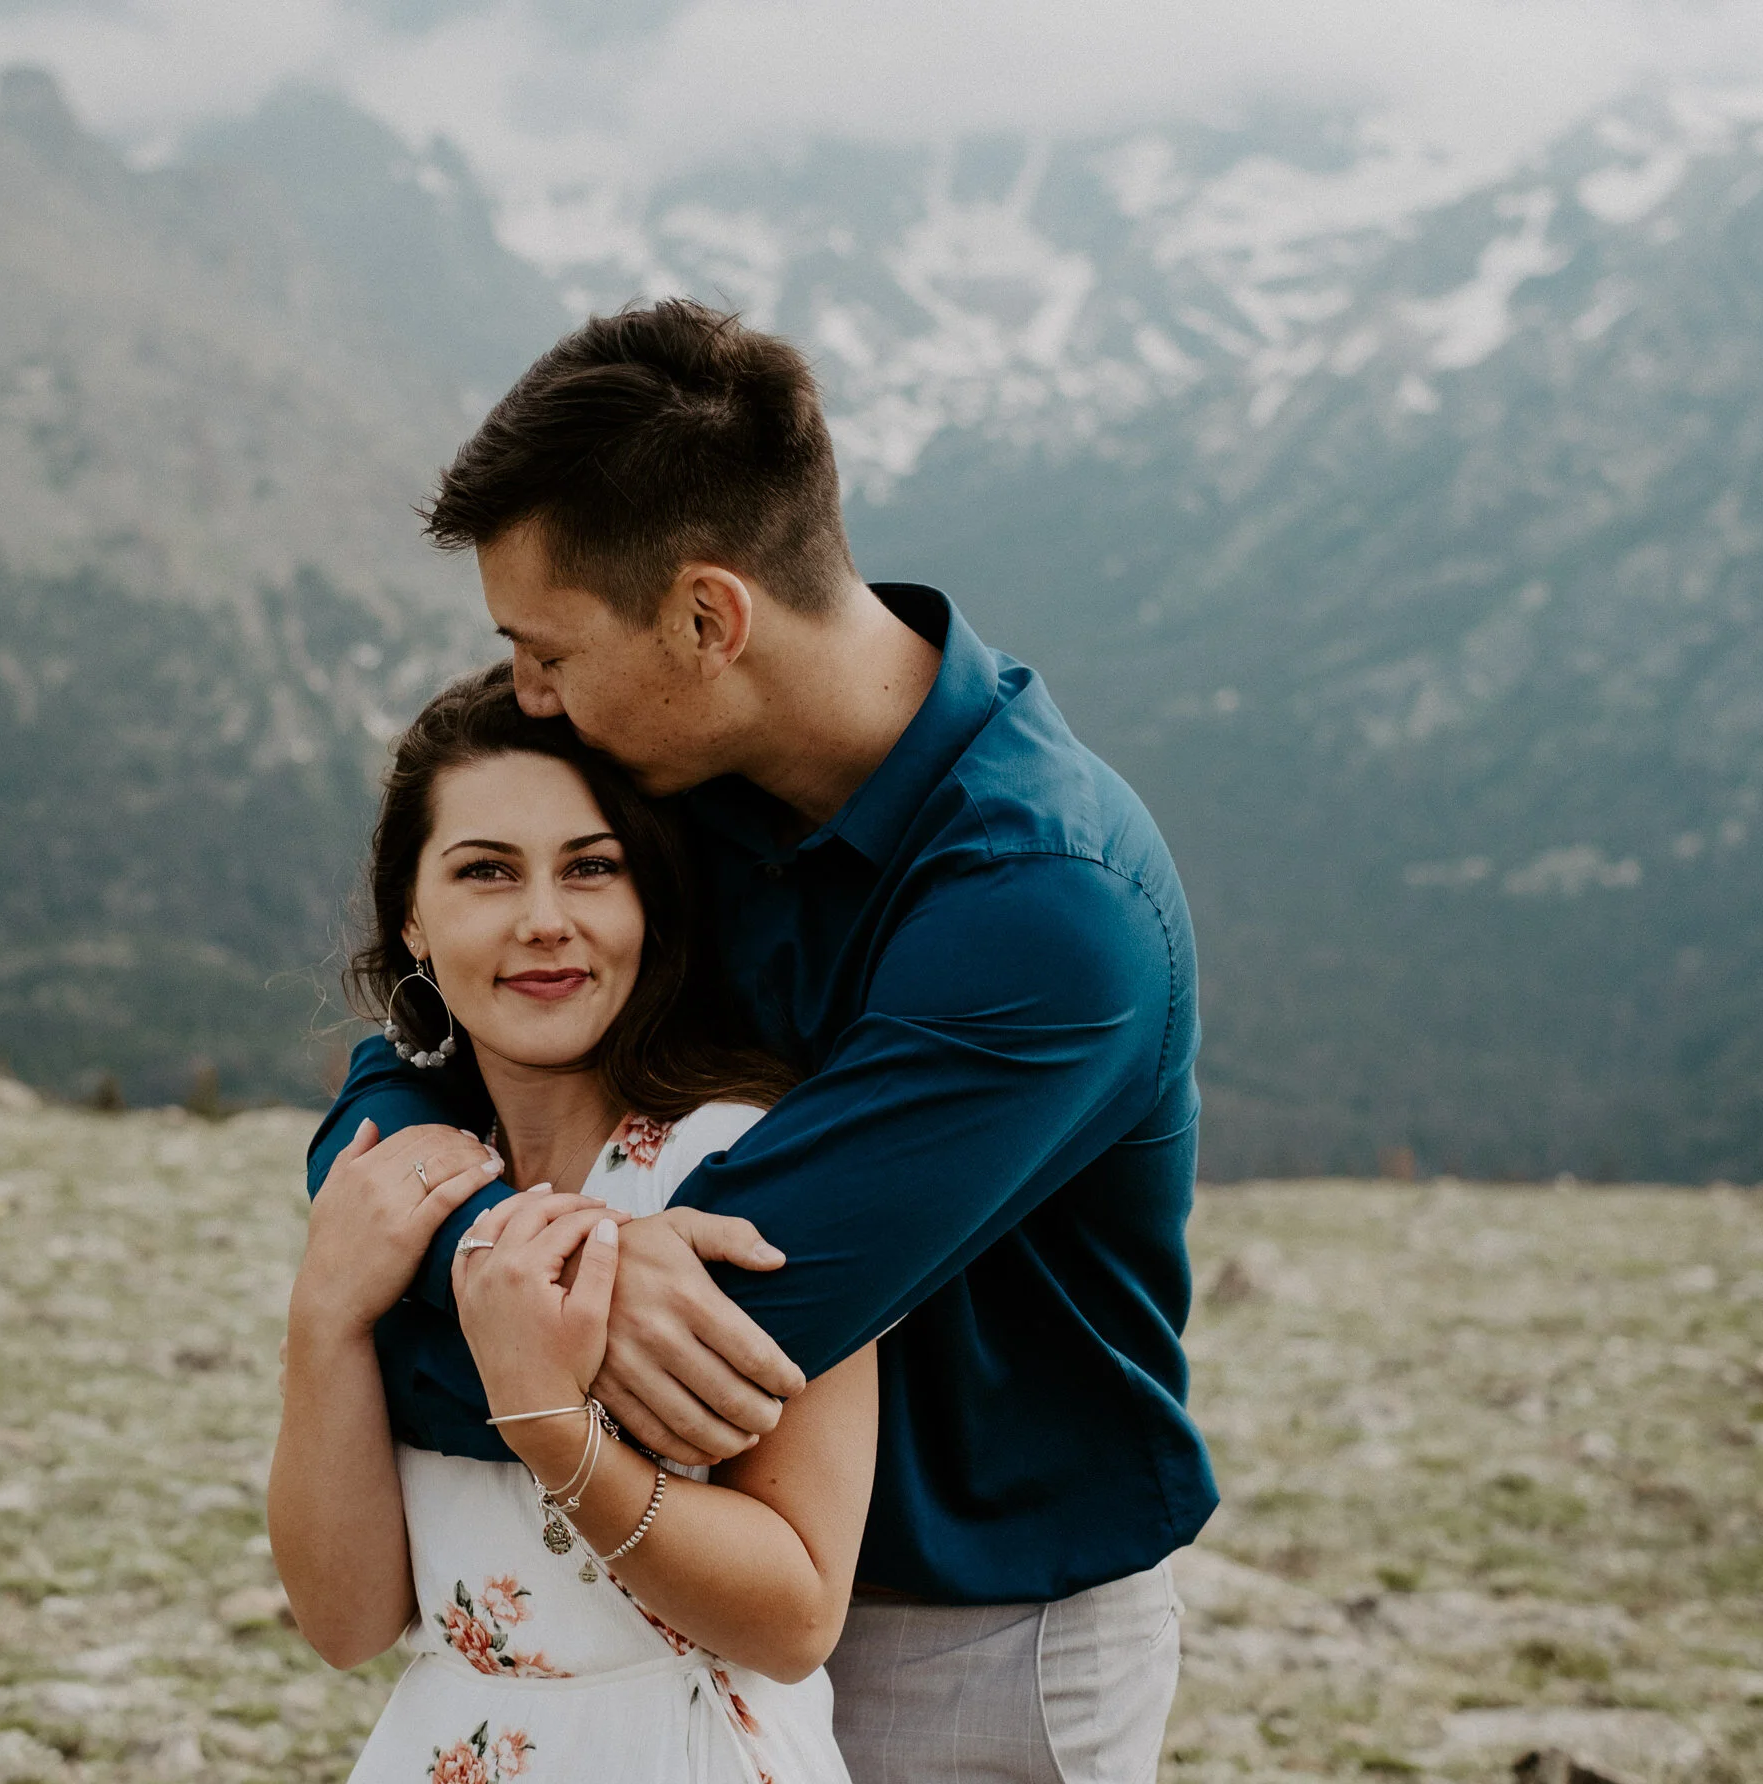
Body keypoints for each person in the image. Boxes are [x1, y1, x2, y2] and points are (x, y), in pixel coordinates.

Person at [308, 299, 1214, 1784]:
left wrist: (369, 1290)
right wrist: (476, 1227)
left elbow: (722, 1344)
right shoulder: (678, 783)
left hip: (969, 1628)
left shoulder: (1048, 910)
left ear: (707, 619)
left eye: (548, 652)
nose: (531, 699)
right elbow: (407, 1075)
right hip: (666, 1603)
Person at [271, 665, 873, 1782]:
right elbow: (347, 1622)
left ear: (649, 900)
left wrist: (553, 1424)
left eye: (591, 868)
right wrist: (325, 1318)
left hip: (677, 1743)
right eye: (486, 872)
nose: (545, 921)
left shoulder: (747, 1166)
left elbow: (796, 1614)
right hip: (442, 1741)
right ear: (412, 914)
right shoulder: (408, 1186)